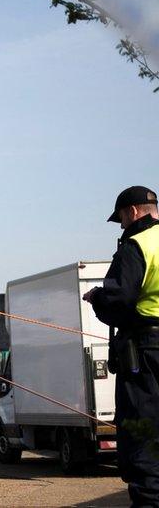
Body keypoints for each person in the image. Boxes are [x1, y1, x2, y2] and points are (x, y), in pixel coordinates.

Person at [84, 185, 159, 507]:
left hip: (148, 350)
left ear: (131, 212)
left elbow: (119, 299)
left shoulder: (136, 244)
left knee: (142, 431)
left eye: (121, 220)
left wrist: (97, 297)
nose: (123, 226)